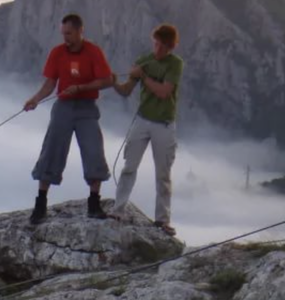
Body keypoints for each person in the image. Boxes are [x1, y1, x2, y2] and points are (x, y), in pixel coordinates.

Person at [24, 14, 115, 224]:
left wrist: (81, 88)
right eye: (63, 33)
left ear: (80, 31)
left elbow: (107, 80)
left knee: (94, 151)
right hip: (63, 107)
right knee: (52, 150)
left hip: (86, 108)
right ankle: (40, 205)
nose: (65, 37)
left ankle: (94, 204)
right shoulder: (57, 53)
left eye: (69, 33)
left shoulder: (93, 52)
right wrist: (35, 99)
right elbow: (49, 84)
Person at [112, 23, 185, 236]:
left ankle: (162, 220)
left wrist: (143, 76)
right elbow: (126, 91)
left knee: (163, 174)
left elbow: (164, 92)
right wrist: (114, 82)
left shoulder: (175, 64)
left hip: (164, 123)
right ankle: (118, 210)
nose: (158, 50)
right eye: (156, 44)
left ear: (170, 47)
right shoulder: (144, 60)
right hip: (142, 120)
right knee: (129, 167)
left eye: (162, 46)